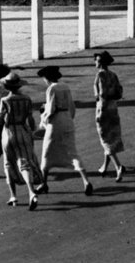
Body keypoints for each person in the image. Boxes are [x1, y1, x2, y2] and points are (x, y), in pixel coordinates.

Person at [36, 65, 94, 194]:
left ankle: (44, 183)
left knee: (47, 152)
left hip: (56, 122)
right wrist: (69, 118)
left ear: (48, 78)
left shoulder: (51, 89)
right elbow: (71, 106)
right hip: (67, 118)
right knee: (72, 151)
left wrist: (43, 120)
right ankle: (86, 181)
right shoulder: (65, 87)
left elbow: (51, 109)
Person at [0, 71, 41, 208]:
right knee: (24, 162)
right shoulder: (26, 99)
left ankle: (13, 196)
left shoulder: (5, 100)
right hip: (23, 130)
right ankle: (31, 192)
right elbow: (30, 119)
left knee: (8, 163)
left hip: (9, 132)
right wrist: (32, 132)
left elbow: (0, 120)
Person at [91, 49, 125, 181]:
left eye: (97, 60)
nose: (95, 62)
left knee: (105, 140)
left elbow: (102, 95)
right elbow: (119, 92)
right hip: (113, 109)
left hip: (104, 109)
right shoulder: (113, 75)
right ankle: (104, 167)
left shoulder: (100, 76)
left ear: (100, 63)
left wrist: (100, 113)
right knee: (111, 138)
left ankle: (118, 166)